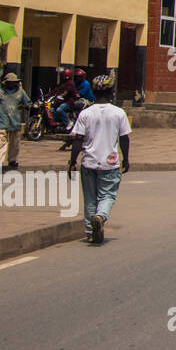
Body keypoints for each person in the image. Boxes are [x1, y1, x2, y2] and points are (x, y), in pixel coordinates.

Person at [67, 74, 130, 245]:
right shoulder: (119, 113)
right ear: (111, 92)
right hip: (109, 163)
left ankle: (90, 232)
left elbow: (78, 140)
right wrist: (126, 158)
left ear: (93, 92)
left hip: (88, 162)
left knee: (90, 198)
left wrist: (73, 161)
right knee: (107, 195)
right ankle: (100, 217)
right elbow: (124, 138)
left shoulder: (85, 114)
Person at [0, 72, 31, 172]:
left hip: (15, 122)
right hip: (3, 122)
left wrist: (24, 106)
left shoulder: (21, 93)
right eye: (10, 82)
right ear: (6, 83)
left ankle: (12, 160)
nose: (12, 84)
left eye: (14, 82)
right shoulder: (0, 93)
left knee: (14, 144)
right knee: (0, 142)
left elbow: (29, 104)